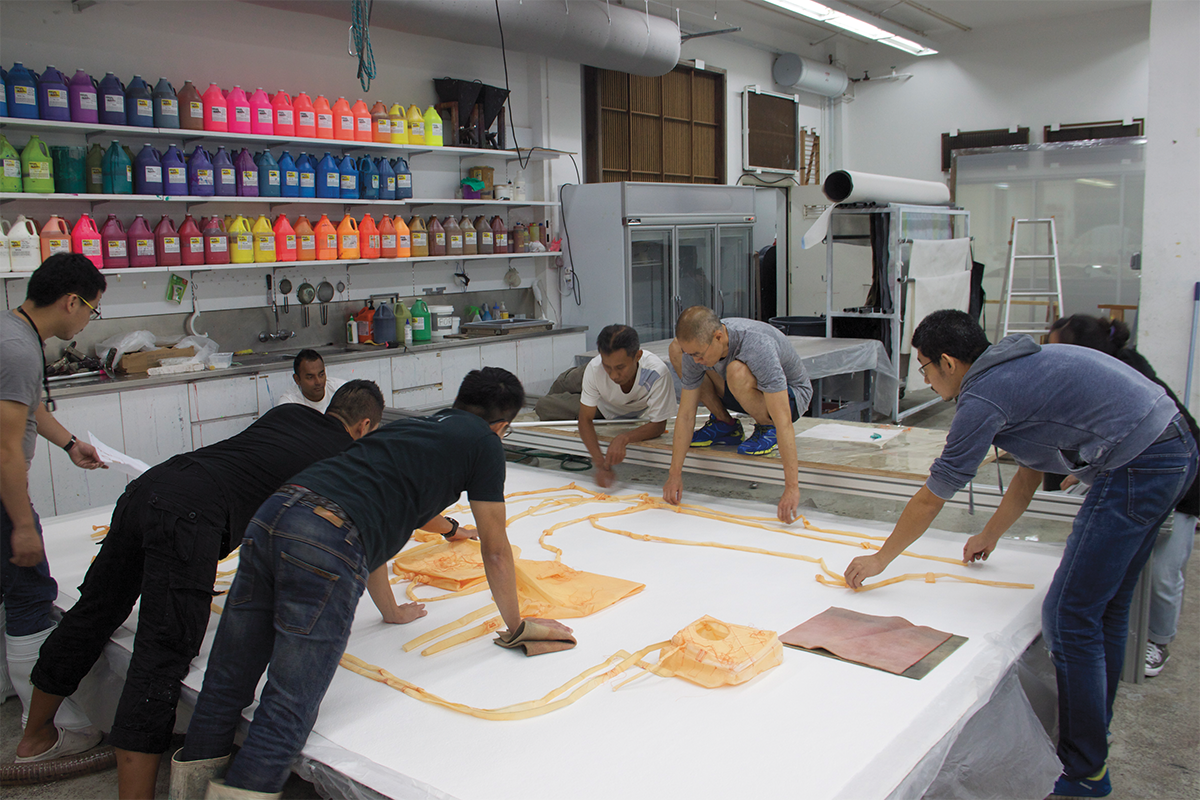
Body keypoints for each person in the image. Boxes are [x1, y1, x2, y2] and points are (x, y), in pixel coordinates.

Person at [843, 310, 1196, 799]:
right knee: (1104, 607)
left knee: (1069, 615)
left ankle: (1084, 771)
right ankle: (1094, 737)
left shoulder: (983, 396)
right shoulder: (1014, 367)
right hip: (1172, 445)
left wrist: (881, 559)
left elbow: (933, 495)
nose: (923, 377)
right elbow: (1033, 466)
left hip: (1141, 462)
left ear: (948, 362)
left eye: (923, 367)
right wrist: (991, 532)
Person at [173, 368, 571, 800]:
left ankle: (188, 792)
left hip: (277, 511)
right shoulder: (485, 445)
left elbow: (383, 511)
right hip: (325, 538)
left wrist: (392, 607)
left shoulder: (419, 428)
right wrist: (517, 626)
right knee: (289, 702)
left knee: (228, 677)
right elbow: (495, 549)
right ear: (502, 427)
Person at [17, 381, 385, 798]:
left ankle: (36, 737)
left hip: (153, 484)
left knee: (96, 609)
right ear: (364, 426)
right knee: (162, 654)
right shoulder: (346, 454)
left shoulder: (288, 414)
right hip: (191, 516)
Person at [1048, 314, 1200, 678]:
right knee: (1122, 578)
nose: (1050, 358)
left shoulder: (1125, 376)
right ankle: (1124, 645)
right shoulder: (1098, 373)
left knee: (1164, 569)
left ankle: (1158, 640)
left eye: (1057, 349)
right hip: (1142, 470)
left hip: (1182, 479)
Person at [1, 253, 108, 761]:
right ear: (71, 301)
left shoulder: (13, 333)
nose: (87, 320)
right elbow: (3, 447)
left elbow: (27, 408)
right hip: (1, 498)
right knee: (29, 598)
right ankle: (45, 732)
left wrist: (69, 445)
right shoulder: (19, 349)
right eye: (91, 310)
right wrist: (23, 524)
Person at [664, 307, 813, 523]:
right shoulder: (699, 349)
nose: (695, 359)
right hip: (742, 389)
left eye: (699, 354)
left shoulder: (756, 344)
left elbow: (784, 421)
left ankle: (765, 426)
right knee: (677, 350)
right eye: (693, 354)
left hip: (790, 397)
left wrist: (791, 488)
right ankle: (726, 425)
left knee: (736, 371)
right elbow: (686, 414)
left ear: (718, 337)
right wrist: (674, 474)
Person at [578, 325, 678, 488]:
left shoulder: (656, 373)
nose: (614, 375)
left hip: (611, 407)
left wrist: (624, 438)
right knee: (548, 406)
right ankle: (567, 378)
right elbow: (584, 418)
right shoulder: (595, 368)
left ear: (637, 356)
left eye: (620, 367)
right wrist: (600, 462)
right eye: (607, 367)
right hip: (598, 396)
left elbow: (659, 425)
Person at [275, 349, 343, 412]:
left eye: (321, 375)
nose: (318, 382)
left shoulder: (341, 391)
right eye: (310, 377)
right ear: (297, 380)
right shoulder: (288, 404)